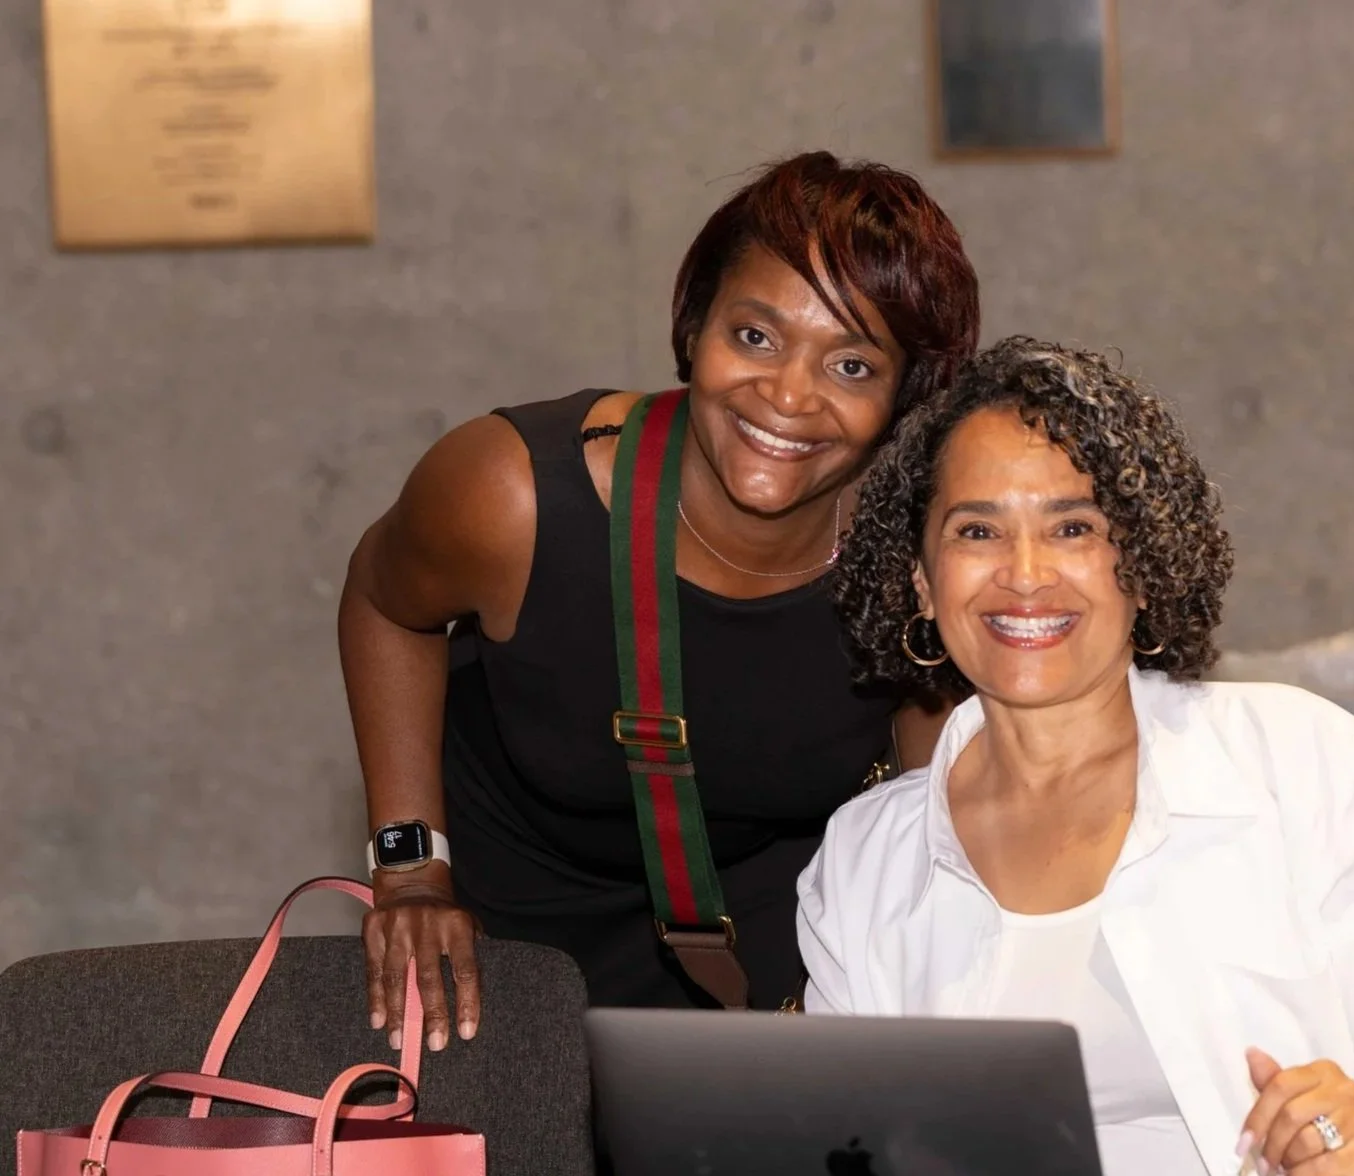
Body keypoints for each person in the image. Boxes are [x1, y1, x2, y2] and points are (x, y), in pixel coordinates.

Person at [799, 337, 1354, 1176]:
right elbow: (845, 1146)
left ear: (1139, 567)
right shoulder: (862, 863)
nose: (1025, 575)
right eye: (977, 531)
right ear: (922, 583)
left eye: (1072, 527)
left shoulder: (1302, 763)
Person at [339, 151, 980, 1048]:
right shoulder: (512, 494)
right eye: (754, 337)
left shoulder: (921, 555)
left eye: (850, 365)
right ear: (695, 326)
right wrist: (410, 873)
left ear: (904, 392)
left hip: (777, 944)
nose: (788, 396)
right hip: (503, 936)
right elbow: (383, 602)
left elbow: (931, 823)